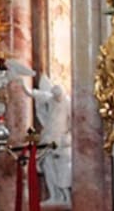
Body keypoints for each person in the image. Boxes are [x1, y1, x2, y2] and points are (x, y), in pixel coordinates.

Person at [24, 74, 71, 203]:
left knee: (61, 171)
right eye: (54, 95)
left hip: (59, 140)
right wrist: (22, 80)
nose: (56, 98)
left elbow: (74, 123)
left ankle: (65, 197)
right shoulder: (50, 99)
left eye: (58, 95)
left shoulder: (68, 102)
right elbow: (34, 93)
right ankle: (53, 195)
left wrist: (67, 137)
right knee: (47, 166)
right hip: (48, 136)